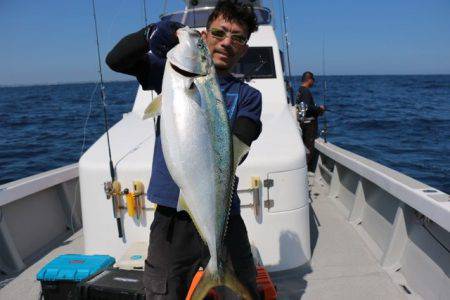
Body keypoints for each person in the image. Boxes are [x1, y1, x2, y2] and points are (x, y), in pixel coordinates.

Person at [106, 2, 262, 299]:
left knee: (245, 293)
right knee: (162, 293)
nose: (227, 42)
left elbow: (242, 139)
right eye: (220, 32)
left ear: (244, 48)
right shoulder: (170, 75)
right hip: (170, 215)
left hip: (222, 214)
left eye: (238, 38)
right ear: (205, 36)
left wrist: (245, 132)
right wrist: (151, 33)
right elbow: (116, 60)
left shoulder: (248, 96)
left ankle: (220, 267)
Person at [296, 71, 325, 170]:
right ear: (309, 80)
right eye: (313, 80)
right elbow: (307, 108)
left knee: (306, 147)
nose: (314, 82)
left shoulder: (300, 90)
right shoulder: (306, 91)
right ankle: (305, 171)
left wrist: (316, 109)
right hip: (309, 126)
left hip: (303, 124)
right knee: (309, 149)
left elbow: (304, 107)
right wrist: (320, 109)